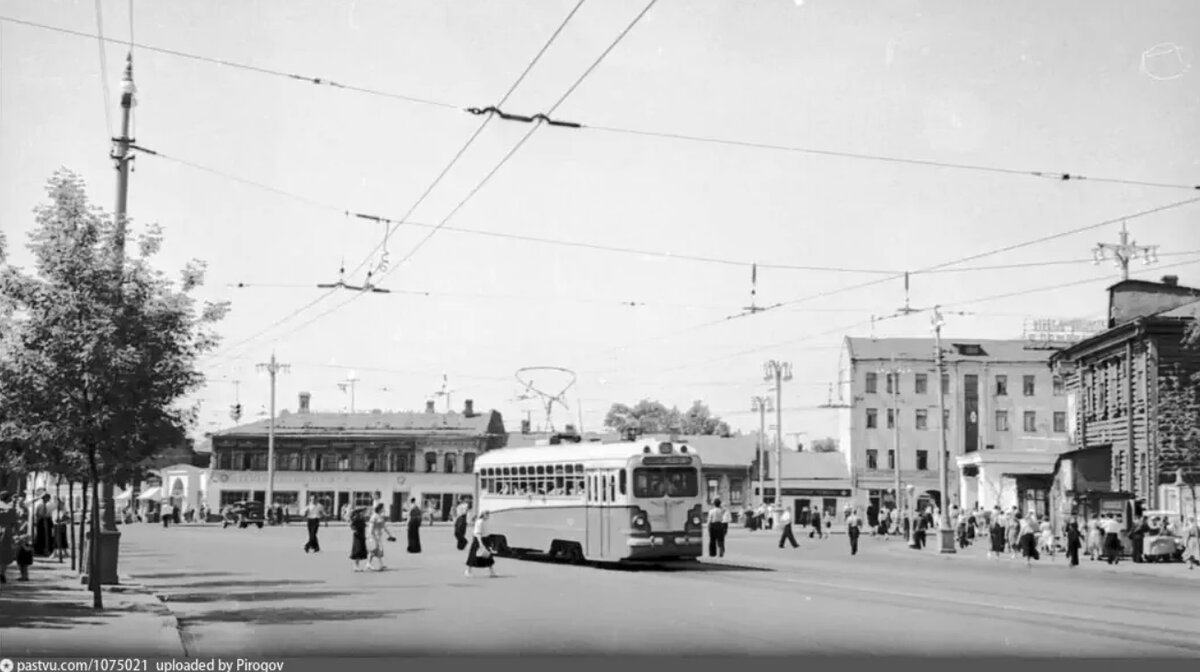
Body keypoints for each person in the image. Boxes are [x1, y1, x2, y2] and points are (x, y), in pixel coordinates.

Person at [465, 510, 496, 578]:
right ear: (483, 515)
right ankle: (468, 571)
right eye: (487, 514)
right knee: (473, 556)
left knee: (488, 555)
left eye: (488, 514)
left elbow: (487, 531)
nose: (488, 516)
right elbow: (477, 533)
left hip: (486, 539)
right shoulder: (479, 522)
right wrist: (480, 543)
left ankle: (492, 572)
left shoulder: (486, 521)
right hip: (478, 540)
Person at [367, 502, 395, 571]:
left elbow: (384, 527)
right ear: (379, 508)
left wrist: (390, 535)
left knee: (379, 550)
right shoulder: (374, 516)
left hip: (379, 535)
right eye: (383, 508)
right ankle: (369, 564)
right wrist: (370, 536)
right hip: (374, 536)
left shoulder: (380, 516)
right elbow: (370, 527)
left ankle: (380, 565)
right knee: (376, 550)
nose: (384, 509)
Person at [0, 491, 16, 584]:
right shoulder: (11, 508)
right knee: (4, 555)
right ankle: (2, 573)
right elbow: (13, 523)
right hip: (7, 532)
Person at [348, 508, 368, 572]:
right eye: (363, 512)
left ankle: (357, 566)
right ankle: (355, 566)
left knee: (360, 551)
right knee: (357, 551)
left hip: (362, 536)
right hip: (357, 537)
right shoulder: (356, 518)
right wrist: (354, 530)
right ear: (360, 512)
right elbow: (352, 525)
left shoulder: (362, 518)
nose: (365, 513)